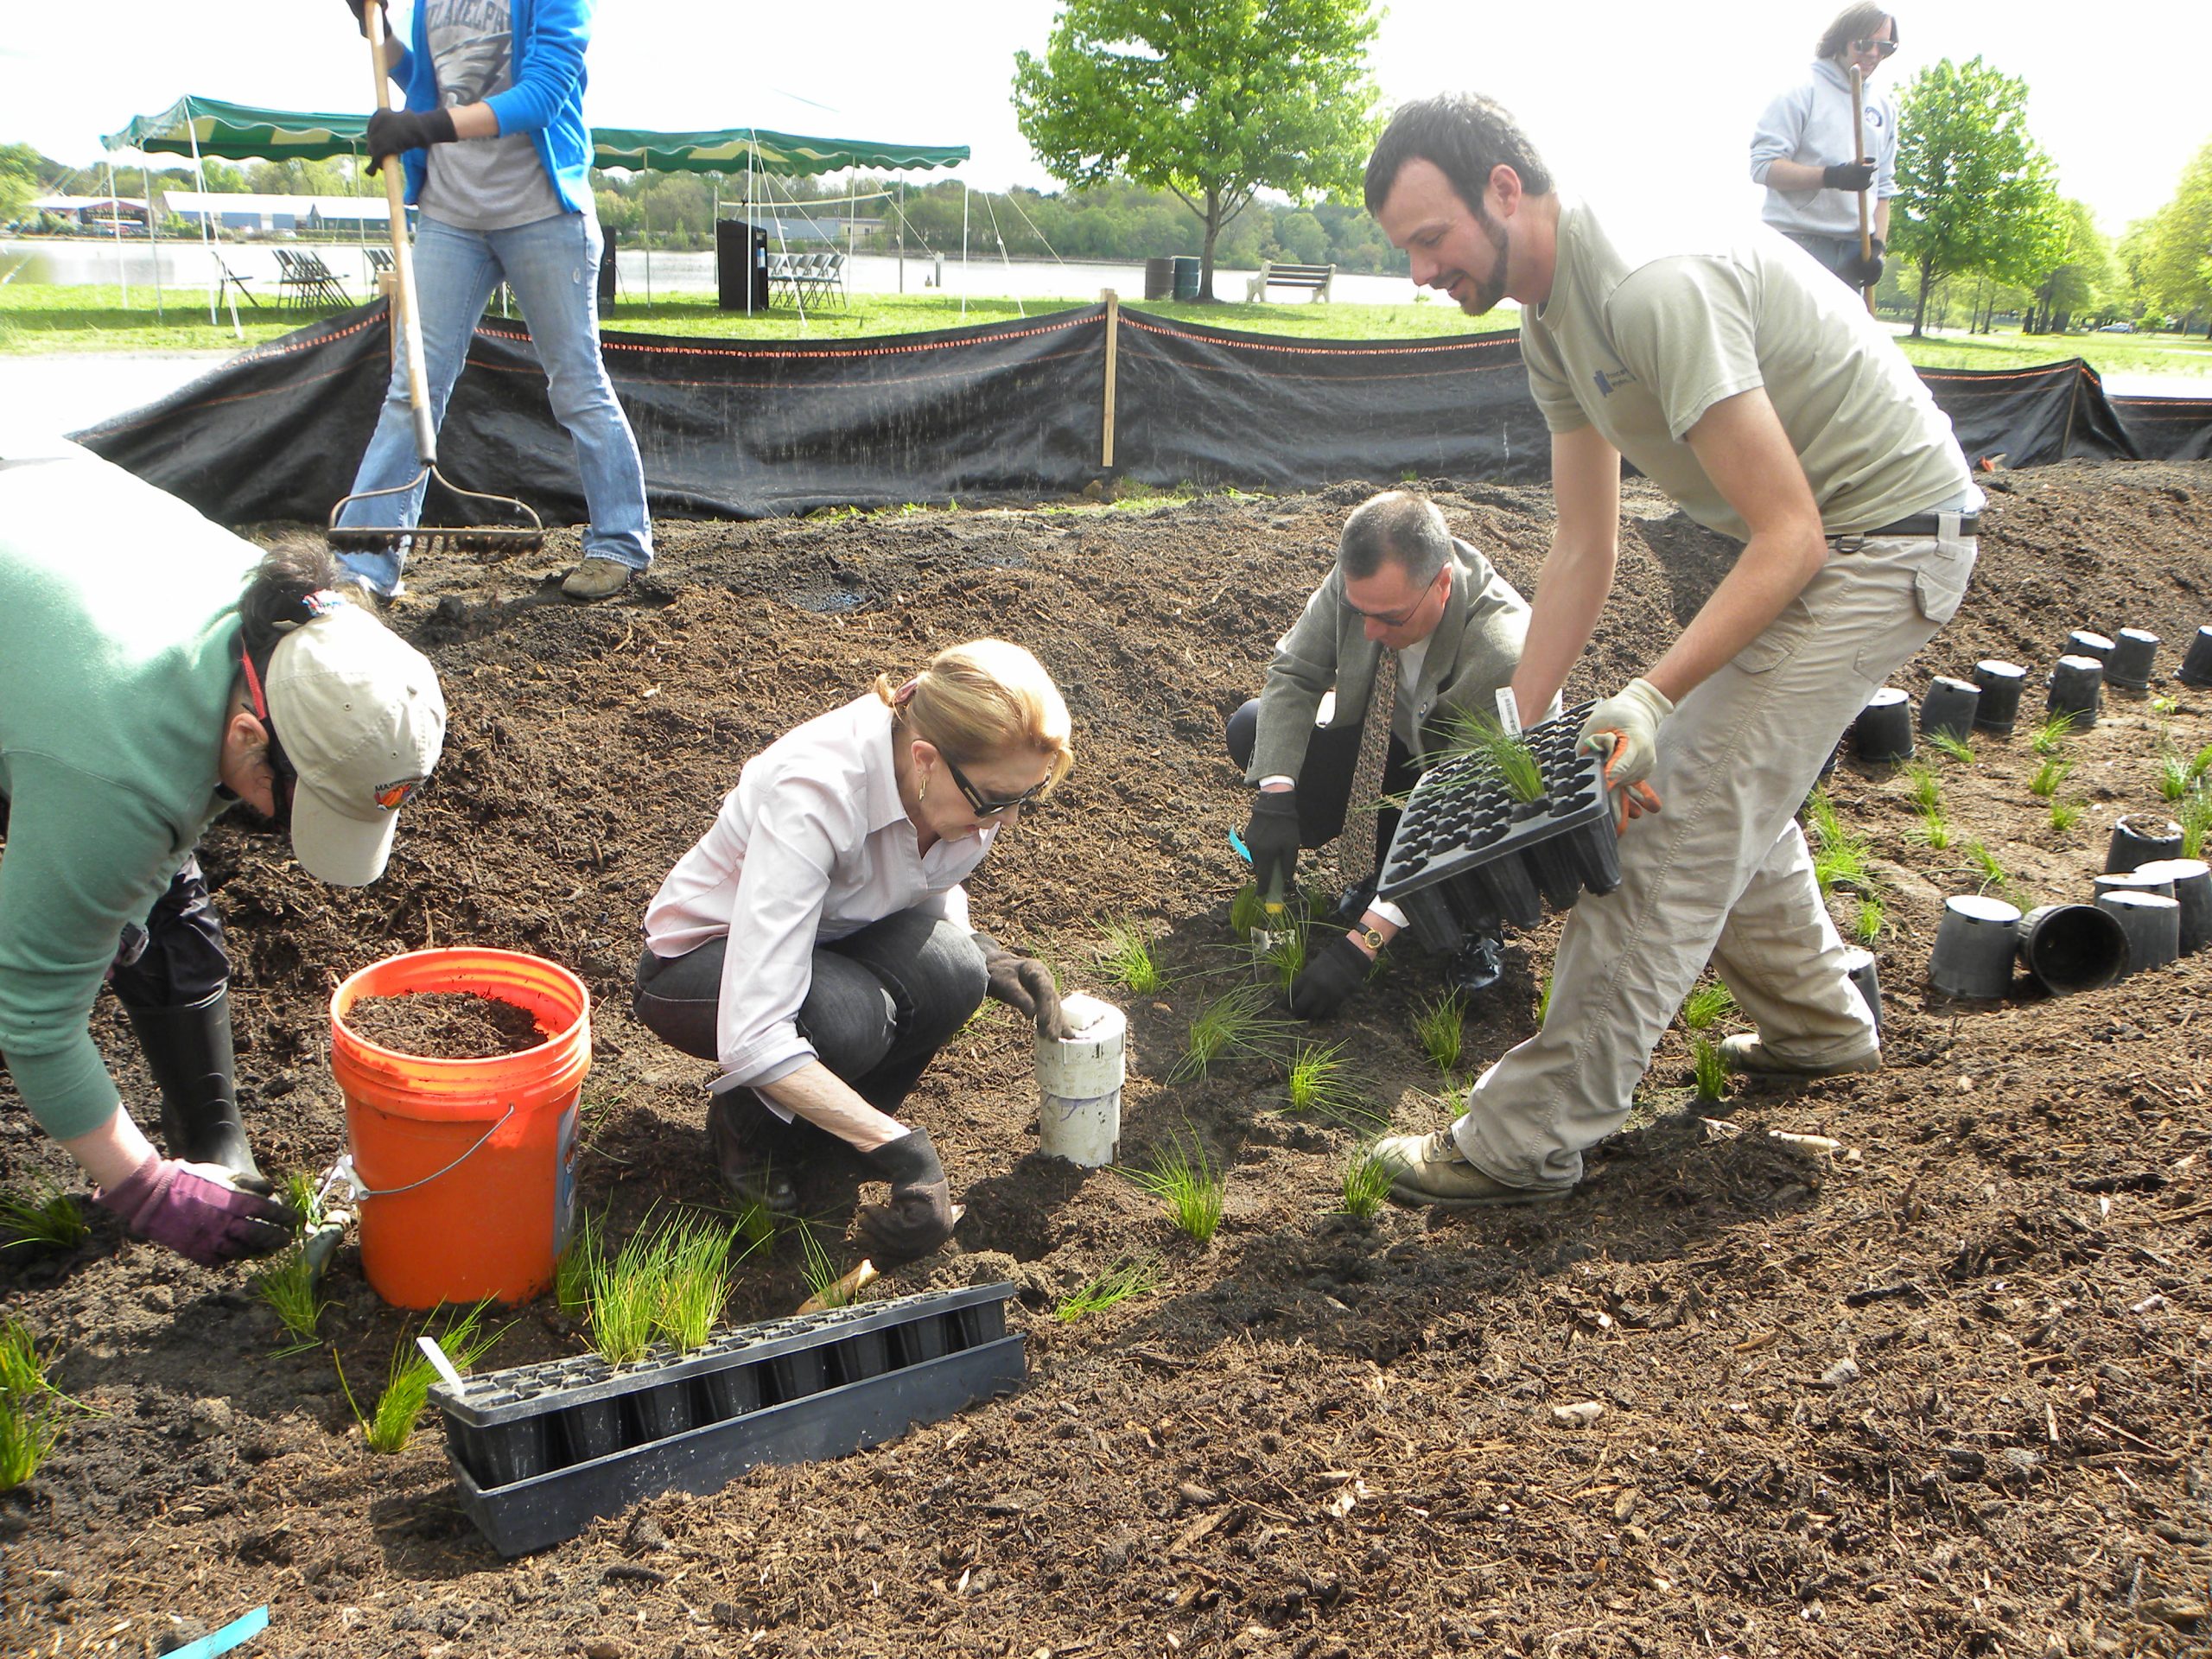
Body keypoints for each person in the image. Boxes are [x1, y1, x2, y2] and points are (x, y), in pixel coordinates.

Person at [1363, 92, 1978, 1206]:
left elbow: (1791, 535)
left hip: (1881, 540)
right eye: (1406, 248)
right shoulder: (1547, 319)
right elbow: (1582, 545)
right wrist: (1522, 733)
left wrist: (1647, 698)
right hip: (1811, 539)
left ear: (1504, 188)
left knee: (1665, 820)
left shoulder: (1648, 285)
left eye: (1430, 237)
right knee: (1713, 784)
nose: (1419, 270)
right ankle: (1818, 1028)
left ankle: (1522, 1141)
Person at [0, 440, 448, 1264]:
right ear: (248, 733)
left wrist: (126, 898)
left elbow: (169, 819)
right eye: (295, 805)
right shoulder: (115, 769)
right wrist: (144, 1188)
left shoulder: (298, 622)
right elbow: (31, 1019)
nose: (278, 825)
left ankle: (210, 1139)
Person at [633, 639, 1076, 1262]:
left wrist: (989, 956)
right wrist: (904, 1151)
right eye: (998, 801)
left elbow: (920, 884)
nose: (1009, 821)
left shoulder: (964, 791)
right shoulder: (817, 790)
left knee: (956, 972)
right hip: (700, 963)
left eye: (1026, 797)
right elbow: (754, 1033)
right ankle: (747, 1139)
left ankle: (830, 1145)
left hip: (827, 940)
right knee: (848, 1018)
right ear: (925, 760)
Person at [334, 0, 652, 602]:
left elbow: (542, 96)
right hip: (451, 216)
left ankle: (618, 544)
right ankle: (363, 566)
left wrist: (421, 128)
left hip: (543, 214)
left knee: (577, 384)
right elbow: (433, 85)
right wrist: (380, 33)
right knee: (414, 386)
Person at [1227, 490, 1537, 1020]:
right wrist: (1275, 797)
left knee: (1489, 836)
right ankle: (1381, 872)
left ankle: (1476, 925)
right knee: (1252, 727)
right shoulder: (1364, 586)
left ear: (1442, 584)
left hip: (1476, 799)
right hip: (1394, 756)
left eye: (1390, 619)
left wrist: (1363, 944)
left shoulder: (1504, 652)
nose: (1370, 631)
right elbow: (1295, 674)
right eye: (1360, 612)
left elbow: (1463, 810)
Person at [1749, 5, 1901, 292]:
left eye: (1885, 47)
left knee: (1848, 326)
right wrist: (1832, 176)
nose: (1873, 54)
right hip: (1797, 242)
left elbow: (1883, 189)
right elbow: (1763, 167)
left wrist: (1878, 248)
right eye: (1864, 44)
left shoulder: (1884, 108)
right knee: (1789, 325)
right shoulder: (1799, 90)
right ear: (1841, 40)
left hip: (1856, 249)